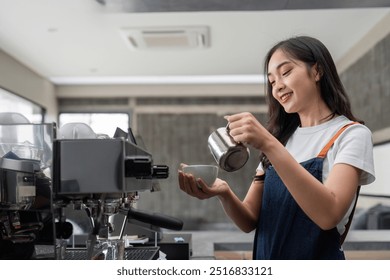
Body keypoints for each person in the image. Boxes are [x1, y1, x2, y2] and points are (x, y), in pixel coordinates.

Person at [178, 36, 375, 260]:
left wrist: (268, 144)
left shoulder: (351, 134)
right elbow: (250, 220)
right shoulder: (281, 140)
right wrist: (225, 193)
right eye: (271, 81)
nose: (278, 86)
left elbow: (329, 214)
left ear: (317, 71)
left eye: (286, 72)